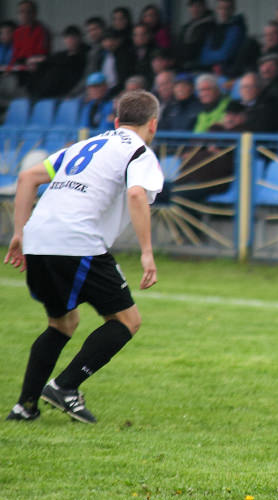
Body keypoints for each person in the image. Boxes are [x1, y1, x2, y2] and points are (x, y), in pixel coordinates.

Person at [4, 89, 164, 424]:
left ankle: (25, 406)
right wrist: (147, 254)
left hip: (38, 239)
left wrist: (19, 232)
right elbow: (136, 193)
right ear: (153, 123)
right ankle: (64, 386)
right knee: (127, 322)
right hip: (77, 241)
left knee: (62, 323)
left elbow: (27, 177)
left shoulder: (84, 145)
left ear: (117, 121)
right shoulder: (140, 151)